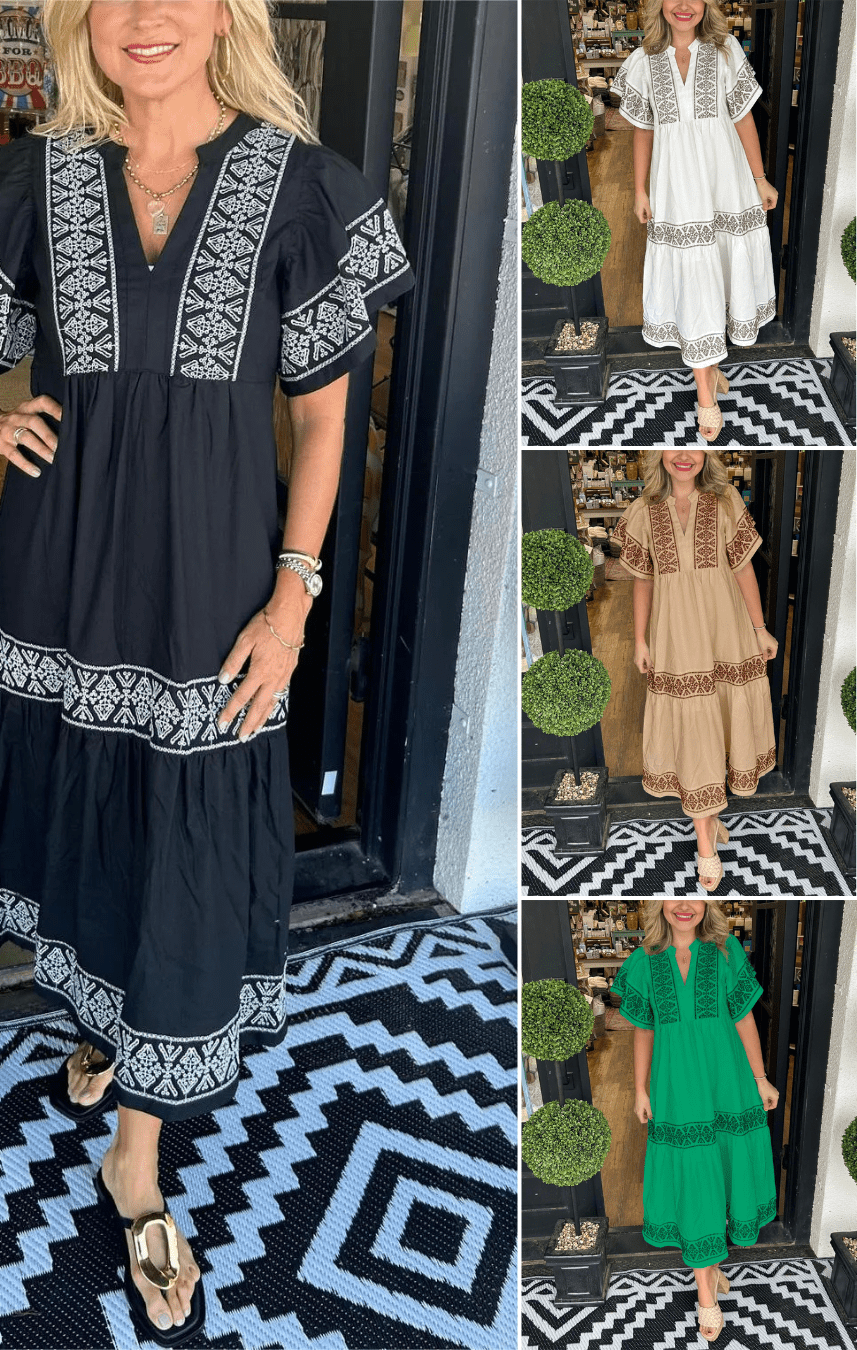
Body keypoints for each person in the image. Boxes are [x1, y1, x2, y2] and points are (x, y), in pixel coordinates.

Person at [0, 2, 414, 1344]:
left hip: (212, 584)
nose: (145, 17)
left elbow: (323, 417)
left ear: (228, 13)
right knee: (81, 795)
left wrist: (292, 600)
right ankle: (105, 1020)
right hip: (60, 570)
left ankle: (139, 1154)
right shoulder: (43, 172)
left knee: (179, 825)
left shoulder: (303, 188)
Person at [610, 899, 779, 1343]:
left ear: (708, 904)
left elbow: (743, 1018)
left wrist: (760, 1078)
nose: (684, 906)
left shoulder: (726, 951)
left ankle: (711, 1270)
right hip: (677, 1087)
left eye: (694, 897)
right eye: (674, 896)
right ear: (657, 903)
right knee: (695, 1177)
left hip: (727, 1081)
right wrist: (641, 1089)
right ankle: (706, 1292)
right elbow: (644, 1030)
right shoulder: (643, 961)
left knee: (720, 1170)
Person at [610, 0, 778, 442]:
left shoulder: (726, 50)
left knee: (716, 271)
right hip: (676, 186)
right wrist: (641, 190)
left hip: (725, 181)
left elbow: (743, 118)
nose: (684, 6)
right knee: (695, 277)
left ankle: (710, 370)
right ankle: (706, 393)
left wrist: (760, 178)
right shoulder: (643, 61)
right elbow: (643, 129)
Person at [610, 450, 777, 892]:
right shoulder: (642, 511)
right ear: (658, 454)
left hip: (726, 628)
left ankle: (710, 820)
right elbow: (643, 580)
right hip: (676, 634)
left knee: (718, 719)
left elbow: (743, 568)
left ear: (707, 454)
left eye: (693, 448)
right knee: (694, 727)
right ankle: (706, 841)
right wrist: (641, 640)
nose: (684, 457)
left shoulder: (726, 500)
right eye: (674, 447)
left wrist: (759, 628)